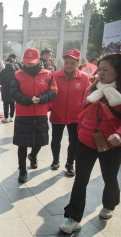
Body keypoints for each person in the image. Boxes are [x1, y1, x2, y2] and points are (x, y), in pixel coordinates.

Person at [60, 53, 121, 234]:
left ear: (118, 72)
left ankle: (109, 204)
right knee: (80, 180)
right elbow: (83, 113)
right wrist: (81, 132)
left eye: (106, 70)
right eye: (99, 69)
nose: (101, 73)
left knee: (110, 178)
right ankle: (73, 218)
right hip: (86, 142)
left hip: (112, 145)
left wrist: (119, 135)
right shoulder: (90, 90)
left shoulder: (120, 94)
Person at [10, 47, 58, 183]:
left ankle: (33, 156)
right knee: (22, 143)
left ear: (38, 60)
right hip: (23, 114)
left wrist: (41, 98)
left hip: (40, 113)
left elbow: (54, 91)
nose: (28, 64)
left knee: (39, 141)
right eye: (26, 61)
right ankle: (22, 170)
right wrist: (28, 100)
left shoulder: (47, 74)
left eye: (31, 61)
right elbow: (14, 92)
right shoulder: (18, 74)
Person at [50, 48, 90, 176]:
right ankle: (55, 160)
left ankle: (70, 163)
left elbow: (87, 96)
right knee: (56, 139)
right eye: (67, 62)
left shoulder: (84, 78)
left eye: (72, 63)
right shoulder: (55, 76)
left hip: (76, 117)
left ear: (78, 63)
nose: (68, 65)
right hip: (57, 113)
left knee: (74, 141)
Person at [0, 58, 16, 123]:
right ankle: (11, 117)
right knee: (12, 103)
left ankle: (6, 118)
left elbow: (0, 79)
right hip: (13, 89)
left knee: (5, 103)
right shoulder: (15, 70)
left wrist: (3, 84)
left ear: (7, 62)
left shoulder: (3, 71)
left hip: (5, 89)